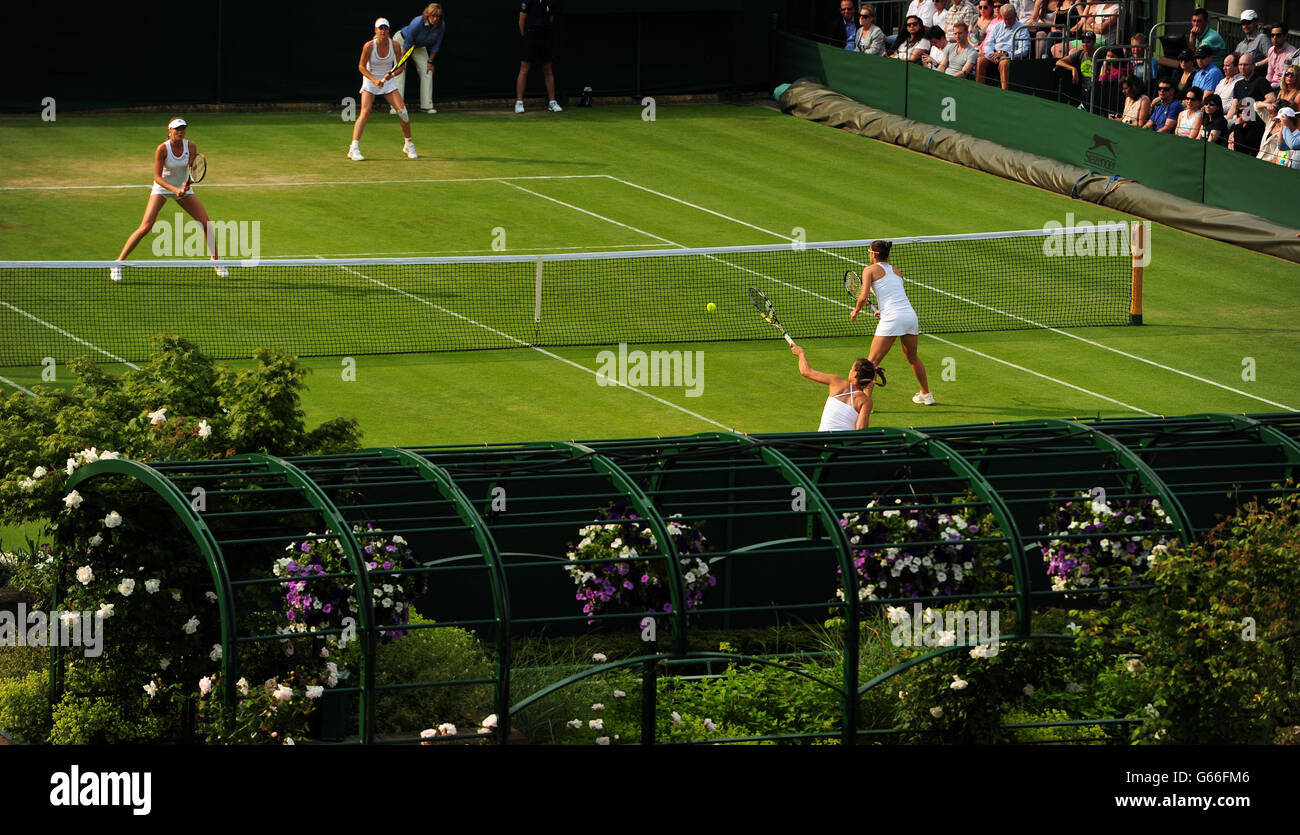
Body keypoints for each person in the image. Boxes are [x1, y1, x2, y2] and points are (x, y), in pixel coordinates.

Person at [112, 118, 227, 281]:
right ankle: (118, 263)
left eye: (183, 129)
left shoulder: (191, 146)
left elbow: (192, 168)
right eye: (177, 129)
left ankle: (217, 261)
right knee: (146, 227)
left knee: (205, 222)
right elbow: (157, 177)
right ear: (169, 131)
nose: (180, 132)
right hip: (163, 188)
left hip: (182, 188)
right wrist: (174, 189)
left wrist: (186, 184)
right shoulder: (162, 149)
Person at [850, 240, 935, 406]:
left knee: (871, 363)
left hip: (893, 318)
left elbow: (863, 297)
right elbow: (895, 295)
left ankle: (865, 403)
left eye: (869, 252)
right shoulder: (896, 271)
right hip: (909, 316)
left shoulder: (869, 270)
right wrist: (882, 311)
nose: (868, 254)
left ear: (874, 254)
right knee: (912, 357)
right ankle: (926, 394)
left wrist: (856, 311)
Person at [347, 18, 418, 161]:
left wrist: (391, 74)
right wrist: (374, 80)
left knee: (403, 112)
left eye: (385, 28)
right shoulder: (369, 46)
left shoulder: (396, 45)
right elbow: (361, 67)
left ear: (388, 30)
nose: (383, 31)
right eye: (380, 28)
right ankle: (353, 148)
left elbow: (401, 67)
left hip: (387, 81)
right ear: (375, 30)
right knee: (365, 112)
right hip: (370, 80)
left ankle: (408, 144)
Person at [790, 344, 884, 431]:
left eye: (851, 369)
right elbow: (861, 430)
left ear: (855, 374)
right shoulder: (866, 402)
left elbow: (806, 371)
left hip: (821, 443)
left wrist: (801, 354)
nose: (849, 371)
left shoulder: (836, 382)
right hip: (844, 446)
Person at [391, 4, 445, 116]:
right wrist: (401, 62)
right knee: (399, 72)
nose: (435, 19)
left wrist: (430, 62)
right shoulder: (417, 22)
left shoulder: (441, 25)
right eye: (433, 16)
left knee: (427, 70)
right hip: (402, 42)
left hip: (419, 46)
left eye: (438, 17)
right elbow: (408, 43)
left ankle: (426, 106)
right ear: (427, 15)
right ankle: (397, 107)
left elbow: (436, 45)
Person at [516, 0, 562, 113]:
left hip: (545, 38)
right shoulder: (528, 1)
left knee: (548, 69)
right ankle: (519, 102)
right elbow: (521, 21)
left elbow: (550, 20)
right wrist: (527, 37)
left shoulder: (550, 2)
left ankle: (552, 102)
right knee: (524, 69)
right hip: (530, 37)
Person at [977, 4, 1030, 90]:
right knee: (981, 61)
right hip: (994, 55)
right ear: (1002, 16)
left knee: (1004, 63)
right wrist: (992, 55)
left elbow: (1024, 50)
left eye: (1010, 18)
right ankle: (978, 89)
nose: (1008, 21)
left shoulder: (1022, 28)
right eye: (1005, 18)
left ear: (1015, 15)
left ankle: (1004, 92)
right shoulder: (997, 26)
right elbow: (989, 43)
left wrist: (1005, 54)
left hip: (1010, 57)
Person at [1228, 52, 1272, 153]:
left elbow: (1271, 98)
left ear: (1253, 66)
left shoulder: (1261, 81)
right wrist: (1227, 120)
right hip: (1240, 121)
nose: (1242, 67)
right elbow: (1234, 106)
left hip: (1256, 123)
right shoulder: (1238, 84)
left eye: (1246, 64)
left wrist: (1253, 107)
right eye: (1240, 64)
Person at [1055, 29, 1097, 104]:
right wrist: (1073, 69)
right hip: (1083, 92)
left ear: (1094, 42)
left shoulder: (1099, 54)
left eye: (1088, 42)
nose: (1085, 44)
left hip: (1096, 92)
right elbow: (1059, 62)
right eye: (1083, 42)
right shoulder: (1079, 54)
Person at [1266, 24, 1297, 90]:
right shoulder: (1271, 50)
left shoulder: (1292, 53)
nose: (1274, 37)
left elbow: (1289, 78)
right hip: (1270, 85)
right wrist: (1265, 85)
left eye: (1278, 35)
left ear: (1285, 36)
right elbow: (1270, 73)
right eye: (1272, 35)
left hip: (1282, 87)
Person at [1213, 52, 1242, 119]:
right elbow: (1214, 98)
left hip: (1227, 116)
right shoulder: (1222, 81)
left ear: (1236, 67)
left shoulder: (1240, 82)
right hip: (1214, 113)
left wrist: (1216, 109)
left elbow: (1234, 104)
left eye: (1227, 66)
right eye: (1224, 65)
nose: (1224, 68)